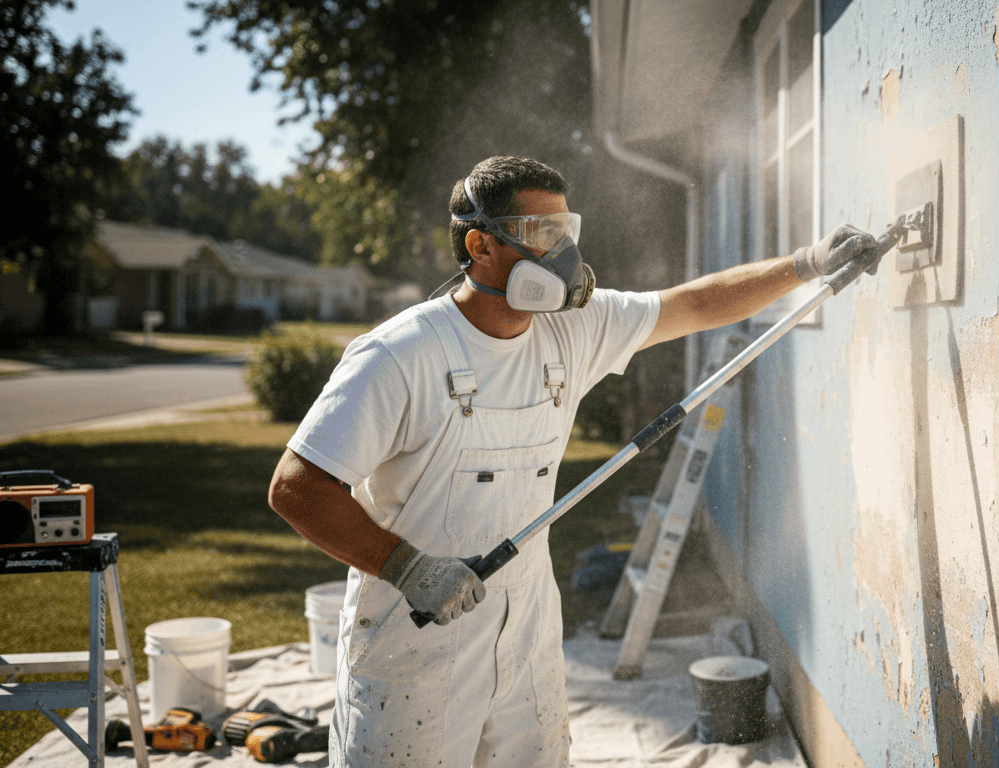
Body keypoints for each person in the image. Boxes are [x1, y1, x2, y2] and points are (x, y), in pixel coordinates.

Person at [267, 156, 879, 768]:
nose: (563, 253)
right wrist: (407, 568)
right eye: (542, 234)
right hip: (412, 641)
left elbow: (693, 305)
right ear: (481, 245)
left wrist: (807, 263)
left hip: (527, 633)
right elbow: (297, 487)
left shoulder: (573, 330)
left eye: (567, 231)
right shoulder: (400, 355)